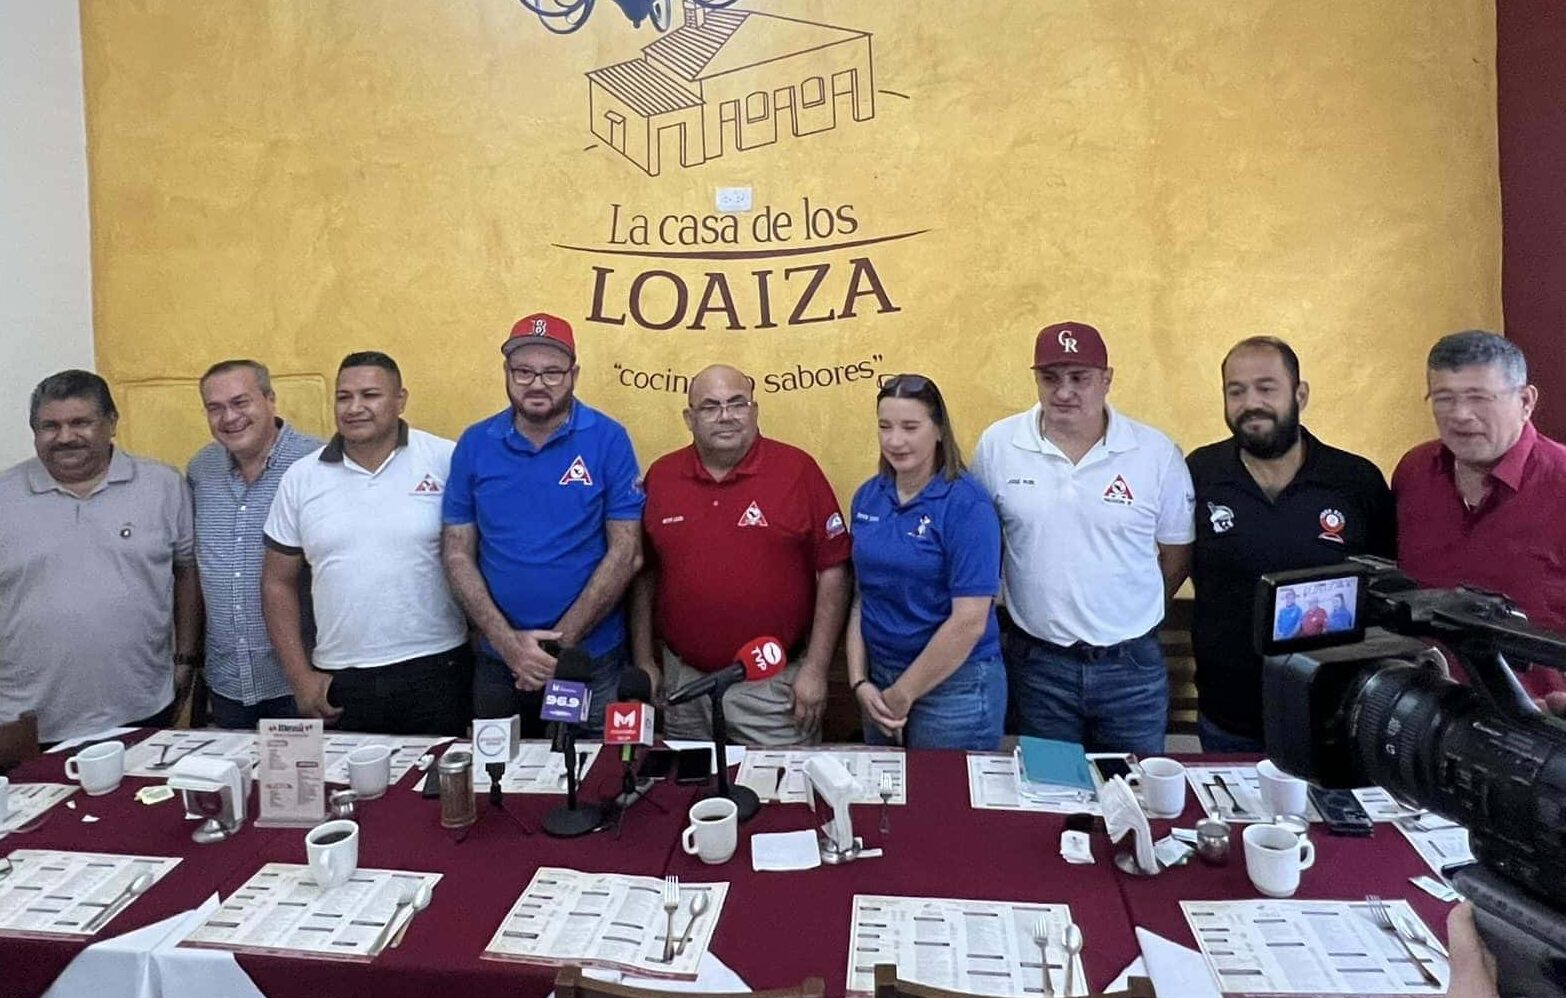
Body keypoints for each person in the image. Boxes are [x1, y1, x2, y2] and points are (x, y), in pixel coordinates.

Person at [972, 322, 1194, 755]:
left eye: (1080, 378)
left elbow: (1177, 553)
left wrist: (1132, 613)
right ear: (1035, 379)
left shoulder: (1154, 453)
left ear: (1107, 379)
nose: (1064, 392)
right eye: (1050, 378)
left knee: (1135, 795)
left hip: (1131, 668)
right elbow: (984, 540)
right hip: (1039, 667)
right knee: (1053, 794)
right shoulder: (999, 445)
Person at [1187, 336, 1393, 750]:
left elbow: (1387, 592)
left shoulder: (1356, 480)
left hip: (1333, 716)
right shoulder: (1197, 474)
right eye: (1236, 390)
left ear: (1300, 394)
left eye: (1266, 388)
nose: (1251, 403)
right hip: (1229, 718)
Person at [442, 313, 643, 736]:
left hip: (588, 659)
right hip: (499, 662)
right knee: (499, 785)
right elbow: (457, 553)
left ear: (574, 374)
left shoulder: (608, 439)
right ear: (507, 373)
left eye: (552, 372)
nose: (537, 384)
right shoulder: (475, 444)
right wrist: (511, 646)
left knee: (587, 781)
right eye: (524, 371)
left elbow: (626, 552)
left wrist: (553, 648)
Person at [631, 365, 850, 744]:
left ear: (754, 410)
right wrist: (644, 661)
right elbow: (643, 573)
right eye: (710, 406)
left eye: (737, 403)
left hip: (773, 690)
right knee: (687, 797)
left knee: (782, 799)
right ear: (689, 417)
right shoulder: (662, 476)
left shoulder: (798, 470)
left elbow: (834, 570)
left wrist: (815, 668)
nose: (726, 416)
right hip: (685, 685)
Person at [262, 352, 470, 735]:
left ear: (400, 400)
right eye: (344, 397)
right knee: (351, 793)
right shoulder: (301, 478)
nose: (355, 408)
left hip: (439, 667)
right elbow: (277, 582)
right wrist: (299, 677)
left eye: (370, 395)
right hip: (340, 679)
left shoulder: (446, 459)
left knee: (438, 790)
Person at [0, 370, 199, 744]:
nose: (65, 437)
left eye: (80, 422)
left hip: (142, 707)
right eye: (50, 426)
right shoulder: (4, 496)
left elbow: (187, 573)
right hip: (26, 720)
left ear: (111, 422)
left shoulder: (163, 486)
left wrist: (185, 660)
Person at [1394, 330, 1566, 697]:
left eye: (1479, 398)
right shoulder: (1414, 472)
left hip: (1540, 727)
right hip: (1426, 717)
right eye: (1443, 398)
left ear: (1525, 401)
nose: (1460, 415)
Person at [847, 374, 1006, 750]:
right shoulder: (868, 497)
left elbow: (969, 621)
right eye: (885, 427)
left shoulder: (968, 505)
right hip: (880, 681)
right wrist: (859, 681)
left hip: (956, 687)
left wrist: (904, 693)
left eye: (910, 427)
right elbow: (862, 597)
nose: (895, 440)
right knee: (881, 800)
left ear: (938, 430)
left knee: (942, 800)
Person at [187, 359, 321, 728]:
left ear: (270, 399)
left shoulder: (316, 464)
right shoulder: (201, 470)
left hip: (302, 683)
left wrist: (309, 680)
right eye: (215, 408)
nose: (229, 417)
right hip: (227, 685)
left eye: (240, 402)